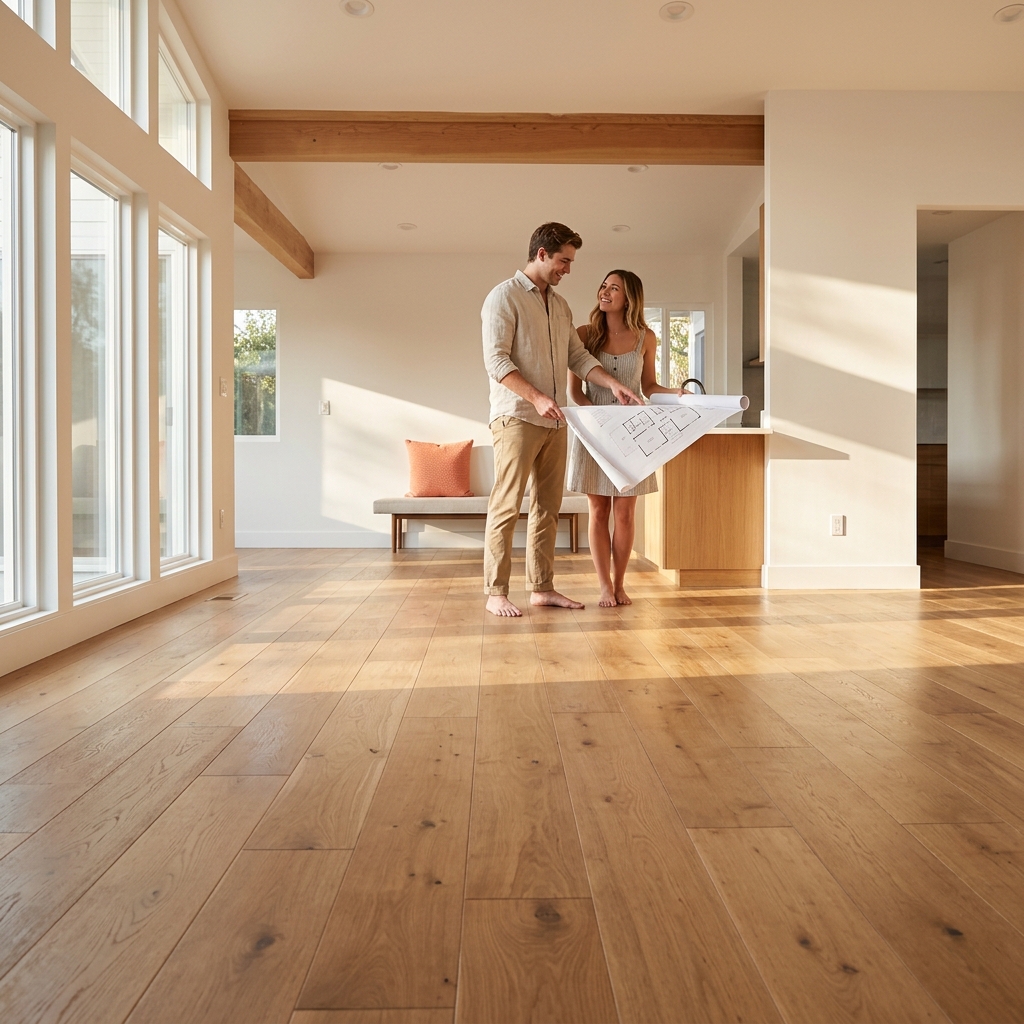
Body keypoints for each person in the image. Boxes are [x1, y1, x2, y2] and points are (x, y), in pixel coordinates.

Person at [481, 224, 642, 618]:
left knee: (547, 508)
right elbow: (497, 361)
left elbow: (579, 358)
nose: (568, 269)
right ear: (541, 254)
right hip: (517, 417)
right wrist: (536, 397)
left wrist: (614, 385)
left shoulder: (561, 306)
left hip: (555, 422)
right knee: (507, 504)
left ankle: (541, 587)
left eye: (570, 261)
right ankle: (496, 591)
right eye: (563, 261)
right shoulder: (504, 297)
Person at [567, 270, 689, 607]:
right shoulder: (584, 334)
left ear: (628, 298)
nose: (604, 292)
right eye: (603, 285)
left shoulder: (646, 337)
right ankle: (604, 586)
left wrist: (674, 393)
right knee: (597, 510)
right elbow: (575, 392)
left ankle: (620, 585)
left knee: (625, 514)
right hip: (594, 433)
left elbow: (648, 387)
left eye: (613, 288)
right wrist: (601, 420)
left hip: (633, 438)